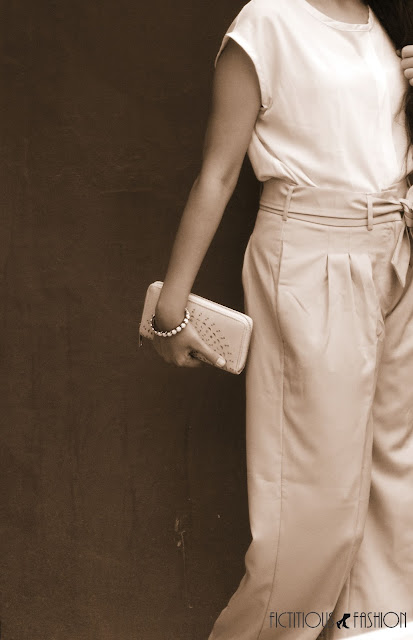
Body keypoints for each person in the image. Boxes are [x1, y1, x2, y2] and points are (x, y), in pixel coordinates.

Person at [149, 1, 413, 638]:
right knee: (314, 510)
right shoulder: (268, 23)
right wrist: (169, 307)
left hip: (396, 256)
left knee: (393, 496)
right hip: (312, 256)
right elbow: (219, 172)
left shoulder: (390, 22)